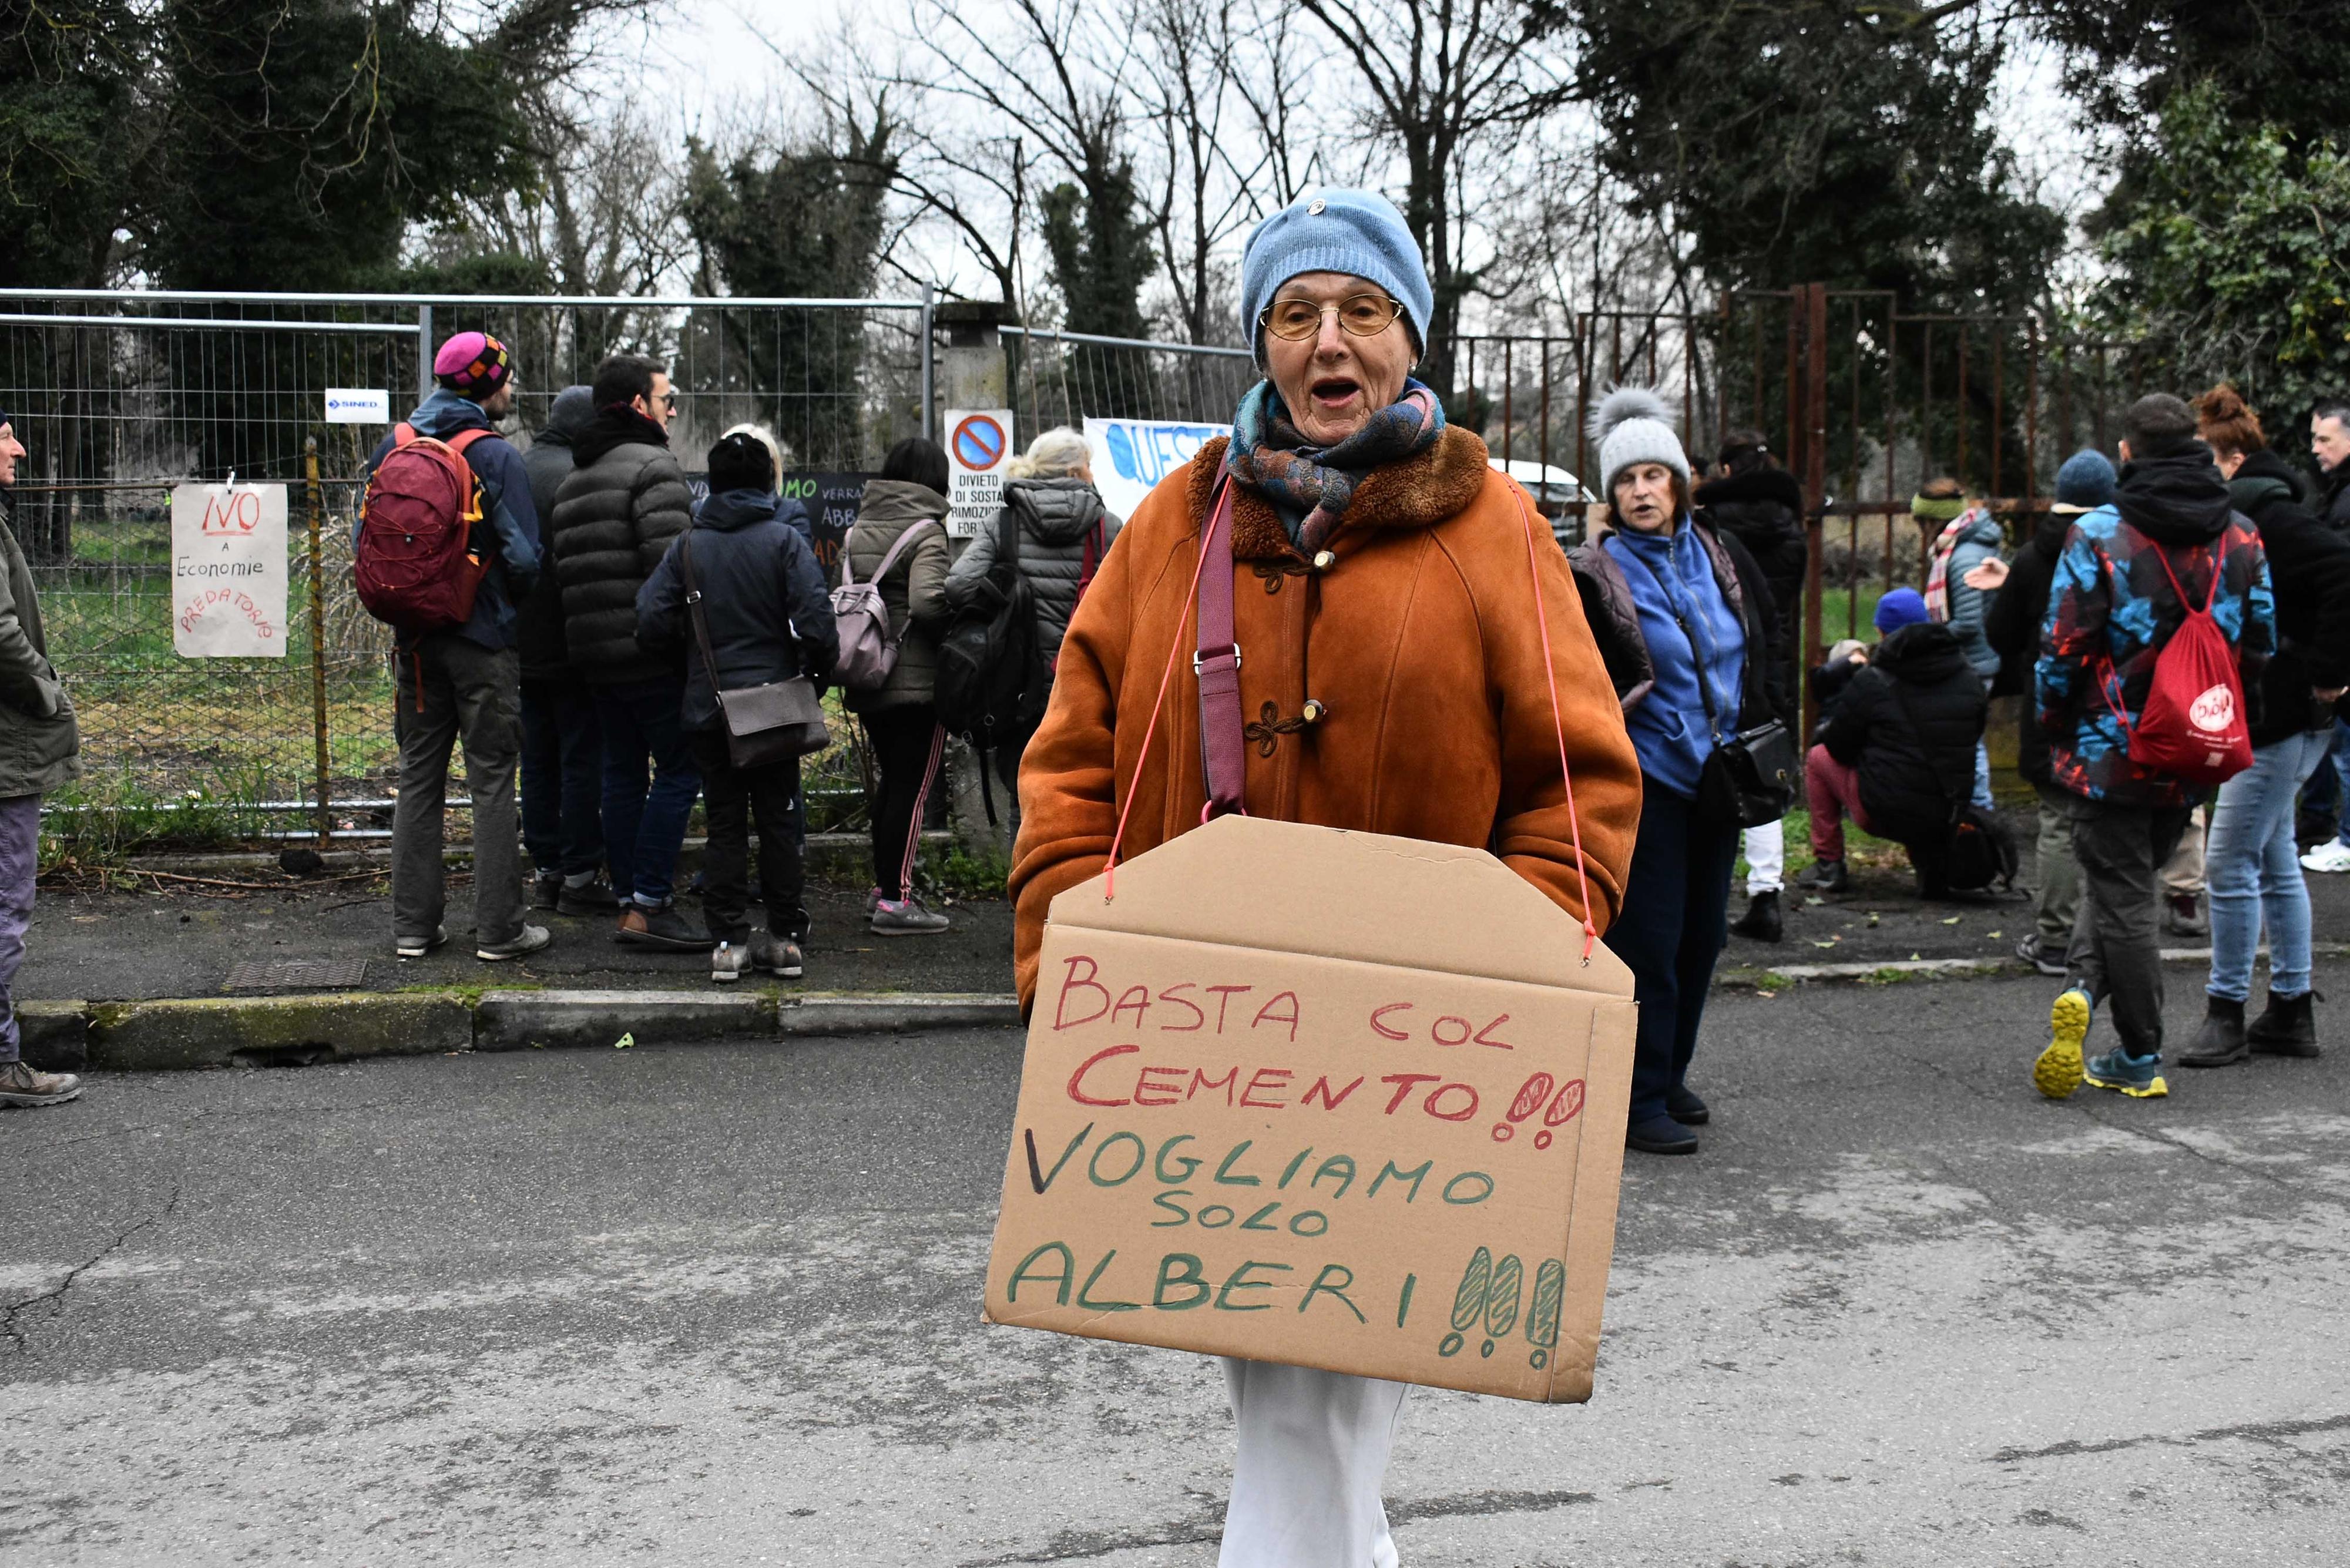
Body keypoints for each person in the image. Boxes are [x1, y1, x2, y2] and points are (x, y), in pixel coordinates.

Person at [1008, 189, 1641, 1568]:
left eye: (1361, 311)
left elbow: (1577, 789)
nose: (1328, 342)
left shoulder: (1493, 535)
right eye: (1296, 315)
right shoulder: (1171, 531)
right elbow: (1071, 768)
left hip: (1413, 1059)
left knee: (1321, 1402)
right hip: (1200, 1063)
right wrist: (1067, 977)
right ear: (1261, 343)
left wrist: (1503, 992)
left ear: (1409, 339)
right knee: (1289, 1393)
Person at [2033, 393, 2273, 1103]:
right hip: (2196, 742)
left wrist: (2052, 722)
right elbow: (2260, 643)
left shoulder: (2101, 534)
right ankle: (2081, 987)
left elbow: (2062, 646)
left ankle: (2139, 1051)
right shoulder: (2241, 534)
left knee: (2125, 896)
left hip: (2114, 746)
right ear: (2197, 446)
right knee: (2124, 880)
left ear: (2127, 452)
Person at [1569, 387, 1781, 1156]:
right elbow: (1583, 682)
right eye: (1626, 481)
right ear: (1612, 495)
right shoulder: (1595, 575)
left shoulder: (1719, 554)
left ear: (1679, 482)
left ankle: (1672, 1072)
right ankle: (1636, 1097)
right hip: (1649, 782)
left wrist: (1765, 718)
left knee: (1703, 940)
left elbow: (1763, 640)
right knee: (1649, 944)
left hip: (1720, 781)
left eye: (1654, 476)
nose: (1641, 491)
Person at [2178, 386, 2350, 1066]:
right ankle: (2289, 1009)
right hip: (2285, 711)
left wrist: (2326, 671)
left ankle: (2226, 1011)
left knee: (2226, 859)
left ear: (2233, 460)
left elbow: (2344, 569)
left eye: (2207, 466)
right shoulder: (2269, 508)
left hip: (2283, 715)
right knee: (2274, 856)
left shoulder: (2269, 516)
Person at [364, 332, 548, 963]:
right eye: (505, 379)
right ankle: (500, 932)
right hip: (482, 638)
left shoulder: (395, 446)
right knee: (492, 779)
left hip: (413, 643)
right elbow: (525, 559)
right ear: (482, 385)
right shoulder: (495, 456)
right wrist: (496, 595)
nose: (511, 389)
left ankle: (413, 928)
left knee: (419, 776)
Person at [636, 432, 838, 983]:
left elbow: (650, 619)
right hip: (775, 709)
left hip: (710, 709)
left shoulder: (688, 545)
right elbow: (819, 624)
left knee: (725, 825)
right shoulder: (784, 541)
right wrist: (811, 681)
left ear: (714, 484)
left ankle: (727, 943)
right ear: (767, 483)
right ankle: (785, 939)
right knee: (779, 820)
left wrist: (692, 670)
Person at [549, 354, 704, 952]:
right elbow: (674, 569)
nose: (672, 409)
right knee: (678, 768)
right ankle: (649, 901)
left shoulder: (575, 476)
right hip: (649, 652)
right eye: (667, 398)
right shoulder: (654, 467)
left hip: (592, 655)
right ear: (638, 404)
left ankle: (627, 898)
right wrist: (683, 644)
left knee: (620, 772)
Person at [1973, 449, 2116, 975]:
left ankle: (2056, 937)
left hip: (2051, 702)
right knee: (2113, 822)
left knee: (2056, 822)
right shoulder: (2123, 549)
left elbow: (2000, 634)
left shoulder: (2036, 558)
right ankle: (2109, 933)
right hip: (2112, 704)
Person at [942, 425, 1122, 808]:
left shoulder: (1003, 523)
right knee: (1087, 802)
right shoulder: (1109, 527)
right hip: (1088, 690)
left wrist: (1005, 592)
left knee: (1023, 803)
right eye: (1089, 465)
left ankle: (1024, 868)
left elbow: (957, 587)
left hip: (1017, 691)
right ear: (1075, 473)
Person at [0, 411, 83, 1109]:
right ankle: (1, 1060)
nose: (19, 447)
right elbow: (0, 631)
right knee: (4, 905)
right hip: (5, 751)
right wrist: (47, 692)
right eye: (4, 435)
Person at [1800, 589, 1988, 897]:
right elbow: (1972, 735)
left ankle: (1828, 865)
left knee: (1819, 758)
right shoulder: (1968, 677)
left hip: (1885, 812)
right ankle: (1931, 866)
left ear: (1882, 632)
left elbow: (1839, 747)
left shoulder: (1873, 681)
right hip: (1947, 812)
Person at [842, 437, 955, 936]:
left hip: (867, 673)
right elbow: (929, 603)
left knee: (893, 784)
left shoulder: (859, 527)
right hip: (917, 684)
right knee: (911, 791)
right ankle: (896, 900)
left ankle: (884, 887)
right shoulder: (926, 530)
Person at [1698, 431, 1805, 944]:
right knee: (1765, 769)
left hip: (1720, 657)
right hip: (1771, 655)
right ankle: (1766, 894)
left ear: (1724, 472)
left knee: (1704, 772)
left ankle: (1704, 894)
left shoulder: (1716, 526)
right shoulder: (1790, 522)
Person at [518, 384, 610, 918]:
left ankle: (546, 870)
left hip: (521, 642)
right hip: (573, 643)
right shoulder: (577, 476)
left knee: (537, 758)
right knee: (580, 759)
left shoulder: (517, 467)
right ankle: (580, 872)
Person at [1916, 476, 2002, 810]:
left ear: (1933, 520)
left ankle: (1980, 810)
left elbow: (1968, 622)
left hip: (1974, 663)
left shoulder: (1964, 557)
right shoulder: (1961, 548)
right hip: (1971, 661)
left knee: (1969, 741)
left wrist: (1925, 636)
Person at [2294, 397, 2350, 863]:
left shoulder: (2344, 497)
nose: (2315, 448)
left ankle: (2348, 841)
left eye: (2324, 438)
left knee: (2346, 750)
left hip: (2340, 639)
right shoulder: (2335, 490)